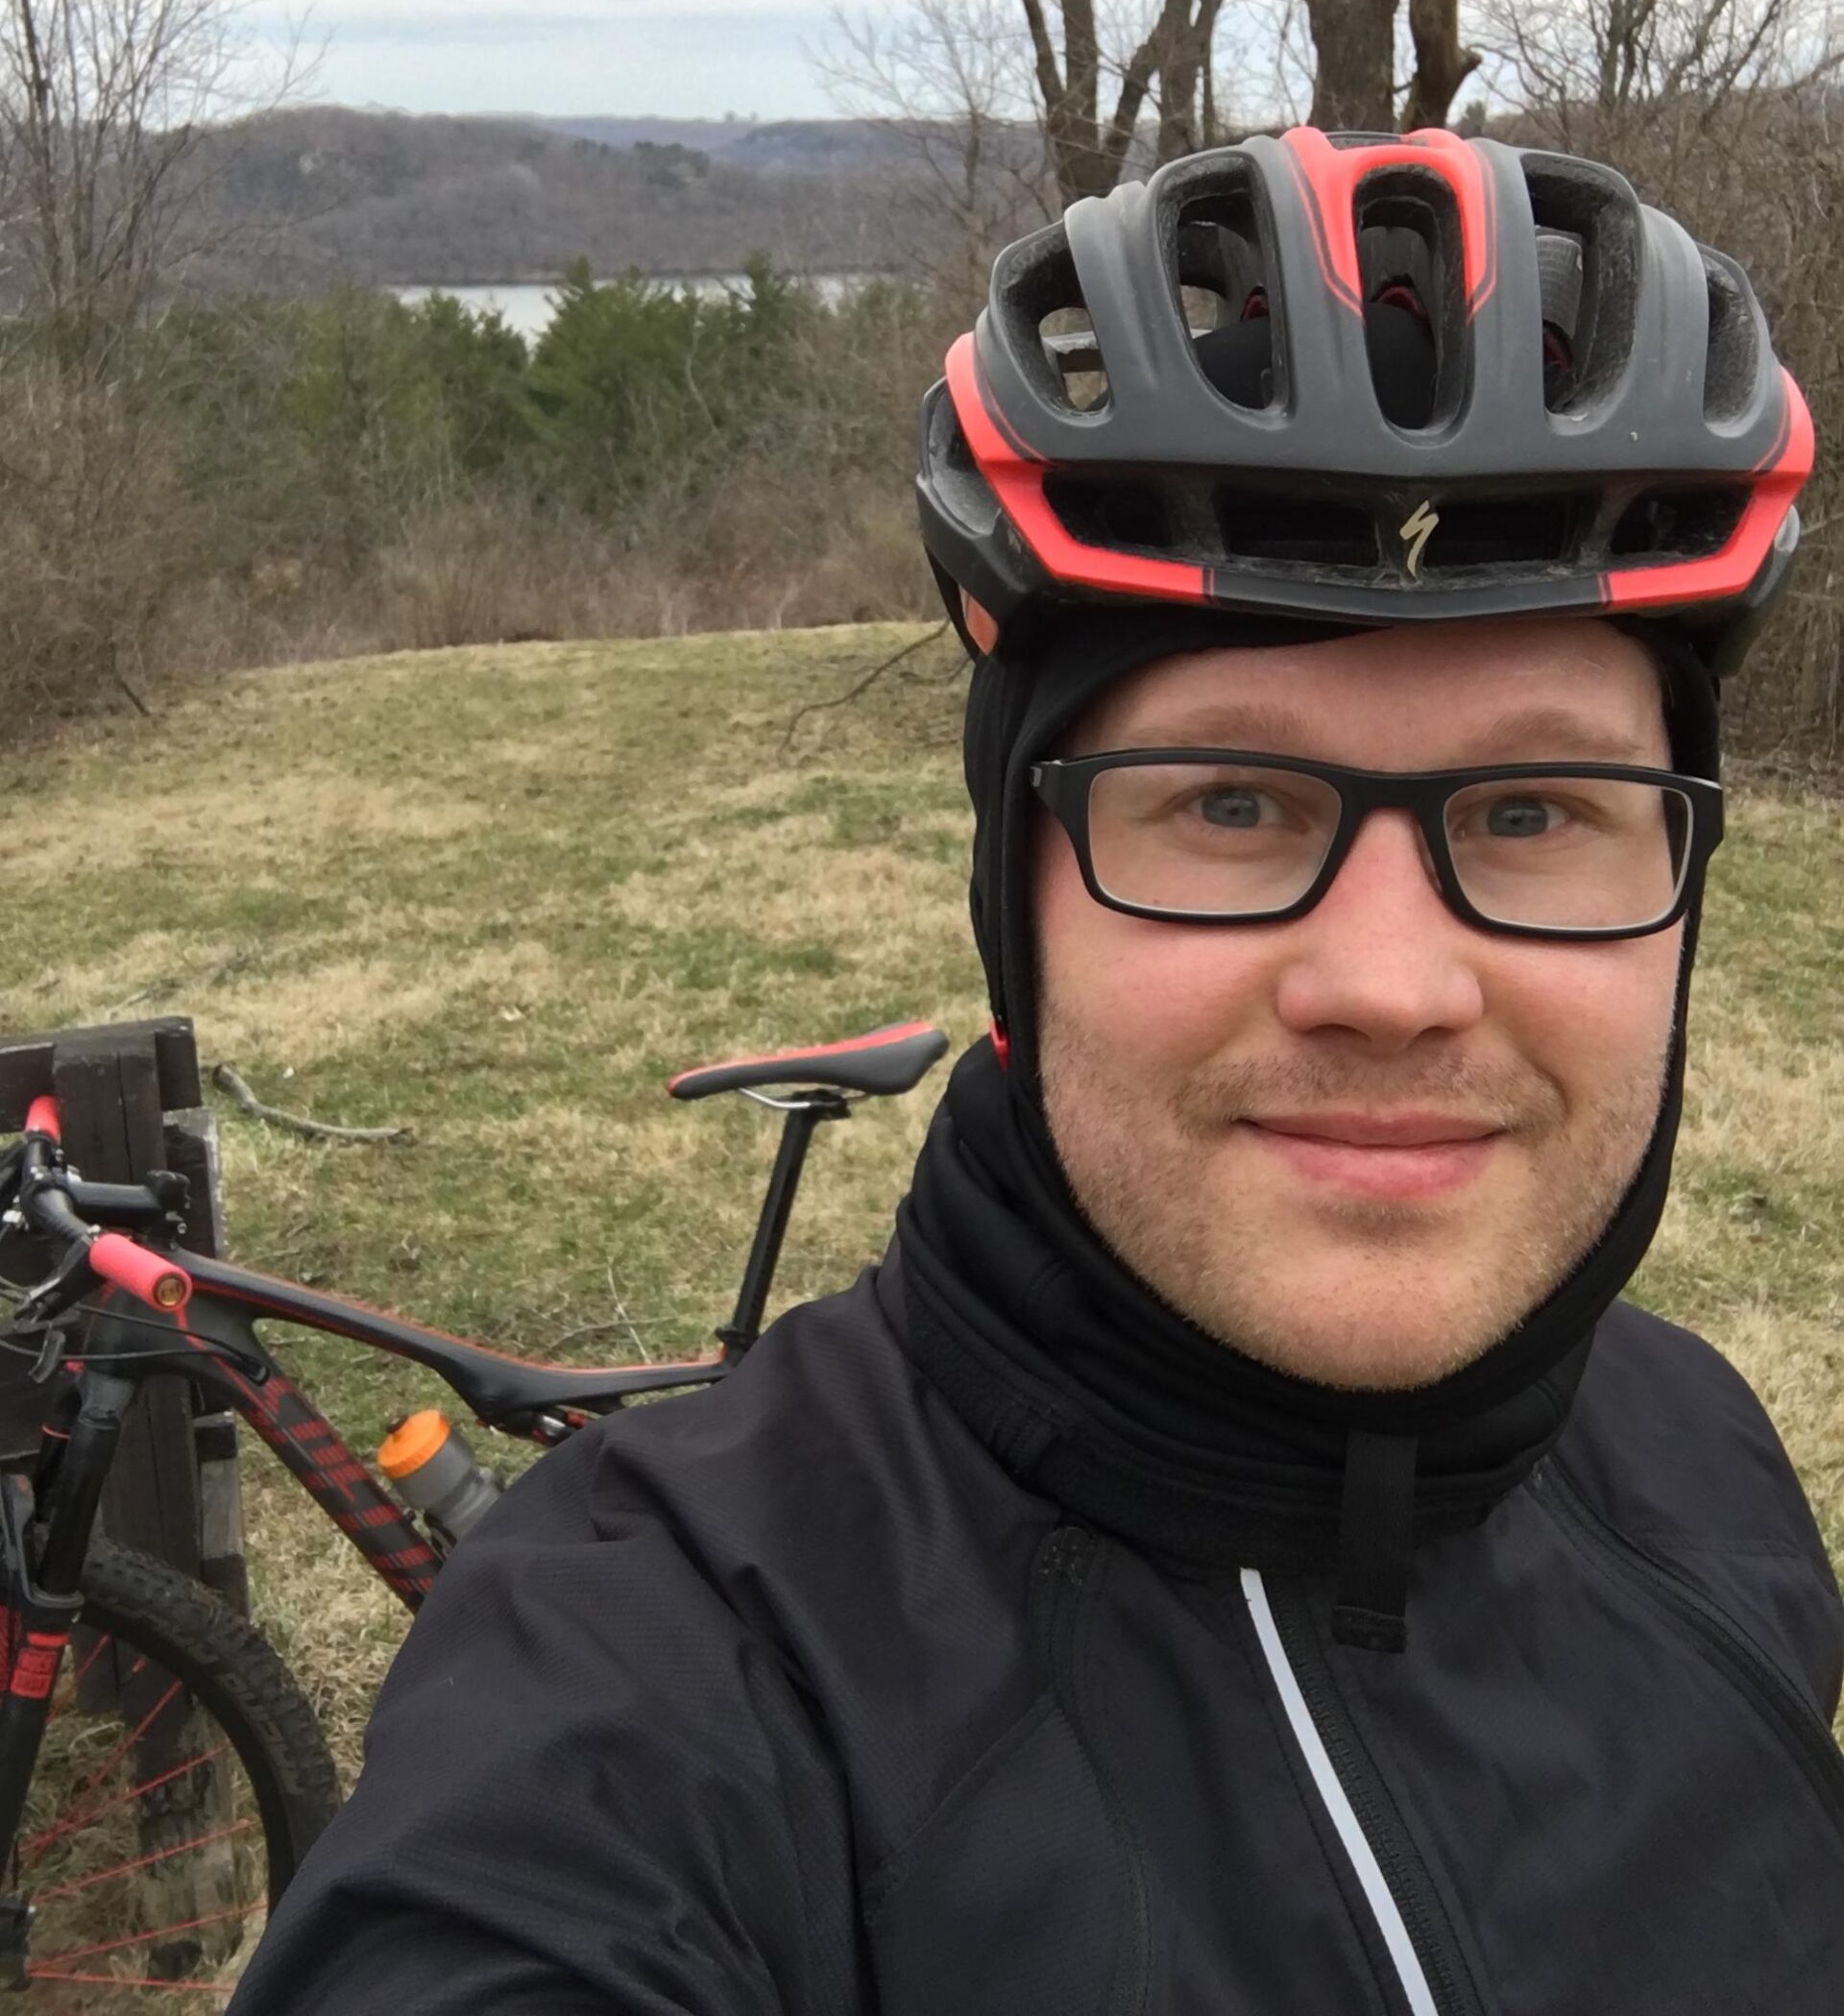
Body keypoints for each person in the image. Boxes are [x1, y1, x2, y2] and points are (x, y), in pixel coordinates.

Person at [231, 127, 1844, 2014]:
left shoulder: (1702, 1467)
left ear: (1683, 882)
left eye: (1533, 806)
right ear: (1020, 898)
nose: (1394, 983)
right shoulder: (662, 1675)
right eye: (1232, 800)